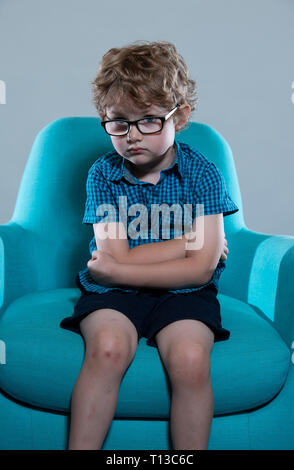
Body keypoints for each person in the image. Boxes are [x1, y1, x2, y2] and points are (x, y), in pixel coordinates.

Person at [60, 40, 239, 450]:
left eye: (149, 121)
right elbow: (117, 258)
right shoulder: (103, 174)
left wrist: (116, 267)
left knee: (191, 360)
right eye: (119, 122)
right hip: (114, 294)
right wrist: (189, 243)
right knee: (106, 348)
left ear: (181, 116)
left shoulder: (204, 175)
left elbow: (199, 270)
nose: (132, 136)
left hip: (186, 293)